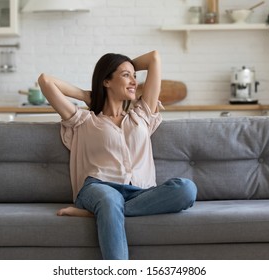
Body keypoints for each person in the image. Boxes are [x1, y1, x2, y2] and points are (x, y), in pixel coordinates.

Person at [38, 50, 197, 260]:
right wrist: (87, 95)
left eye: (134, 75)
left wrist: (126, 68)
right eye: (125, 75)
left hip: (140, 192)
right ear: (106, 81)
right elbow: (45, 81)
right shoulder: (84, 120)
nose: (134, 81)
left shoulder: (142, 115)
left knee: (186, 189)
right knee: (108, 198)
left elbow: (154, 58)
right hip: (99, 187)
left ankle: (100, 213)